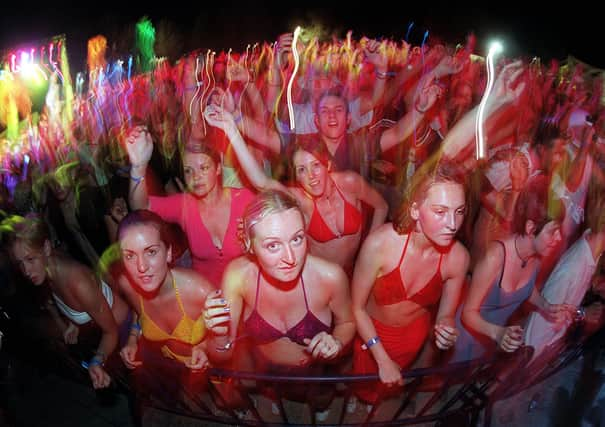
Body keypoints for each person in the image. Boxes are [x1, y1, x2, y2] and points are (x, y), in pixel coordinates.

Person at [204, 105, 388, 275]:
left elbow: (381, 206)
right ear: (297, 177)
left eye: (316, 165)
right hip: (319, 277)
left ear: (328, 165)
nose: (311, 176)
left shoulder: (350, 182)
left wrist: (370, 249)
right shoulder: (300, 200)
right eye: (301, 170)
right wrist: (231, 130)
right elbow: (261, 181)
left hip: (356, 271)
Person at [350, 162, 469, 403]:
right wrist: (381, 358)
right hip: (371, 333)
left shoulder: (459, 258)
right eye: (440, 211)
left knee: (388, 389)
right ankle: (359, 399)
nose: (453, 224)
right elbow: (356, 307)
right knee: (363, 385)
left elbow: (445, 314)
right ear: (415, 210)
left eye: (459, 211)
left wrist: (445, 328)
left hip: (412, 337)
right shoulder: (380, 244)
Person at [216, 190, 355, 379]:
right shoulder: (238, 276)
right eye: (273, 245)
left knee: (321, 404)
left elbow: (347, 322)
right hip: (266, 372)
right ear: (249, 244)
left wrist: (337, 343)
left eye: (297, 239)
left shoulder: (330, 276)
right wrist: (217, 333)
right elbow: (223, 353)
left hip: (316, 374)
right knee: (272, 400)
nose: (290, 259)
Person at [450, 178, 573, 362]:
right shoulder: (495, 257)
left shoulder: (537, 256)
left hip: (492, 340)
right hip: (464, 340)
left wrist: (546, 306)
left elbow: (526, 288)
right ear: (531, 227)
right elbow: (468, 313)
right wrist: (497, 333)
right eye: (553, 231)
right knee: (442, 387)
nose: (558, 238)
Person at [3, 214, 128, 389]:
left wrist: (97, 361)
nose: (26, 271)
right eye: (20, 263)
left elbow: (111, 331)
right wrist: (73, 322)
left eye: (30, 259)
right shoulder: (48, 270)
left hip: (125, 331)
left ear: (46, 248)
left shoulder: (78, 282)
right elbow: (67, 304)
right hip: (108, 335)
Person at [116, 210, 227, 403]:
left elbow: (229, 334)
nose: (141, 267)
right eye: (130, 256)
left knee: (228, 400)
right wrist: (133, 338)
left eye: (151, 252)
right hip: (177, 366)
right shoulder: (128, 285)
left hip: (215, 364)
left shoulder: (199, 290)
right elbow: (139, 312)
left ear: (168, 253)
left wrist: (204, 347)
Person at [124, 124, 255, 287]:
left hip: (245, 291)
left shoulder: (244, 199)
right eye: (188, 171)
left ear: (218, 168)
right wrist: (138, 167)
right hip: (205, 295)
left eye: (204, 168)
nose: (196, 177)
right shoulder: (184, 206)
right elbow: (140, 206)